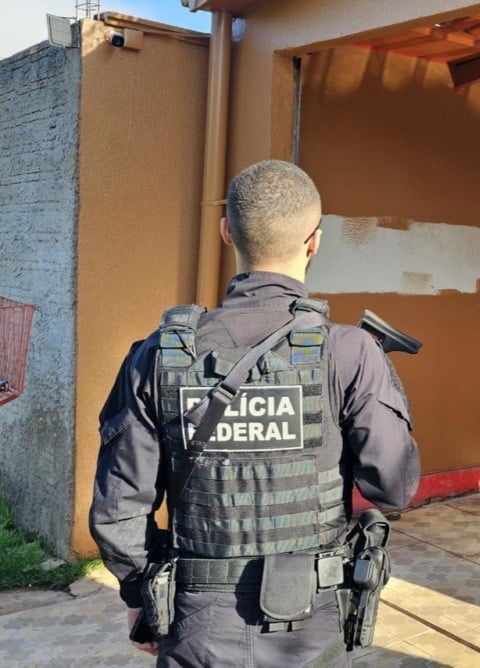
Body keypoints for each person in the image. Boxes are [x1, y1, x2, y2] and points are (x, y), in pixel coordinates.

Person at [90, 159, 420, 667]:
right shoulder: (350, 352)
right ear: (315, 241)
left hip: (196, 625)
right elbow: (393, 488)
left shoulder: (159, 355)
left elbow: (119, 511)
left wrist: (141, 597)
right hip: (311, 627)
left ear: (227, 231)